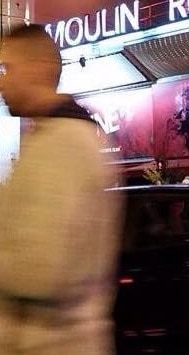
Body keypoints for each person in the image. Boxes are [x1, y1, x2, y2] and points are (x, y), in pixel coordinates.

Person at [0, 24, 122, 355]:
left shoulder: (65, 145)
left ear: (37, 69)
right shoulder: (50, 138)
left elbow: (41, 271)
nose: (1, 81)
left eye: (6, 68)